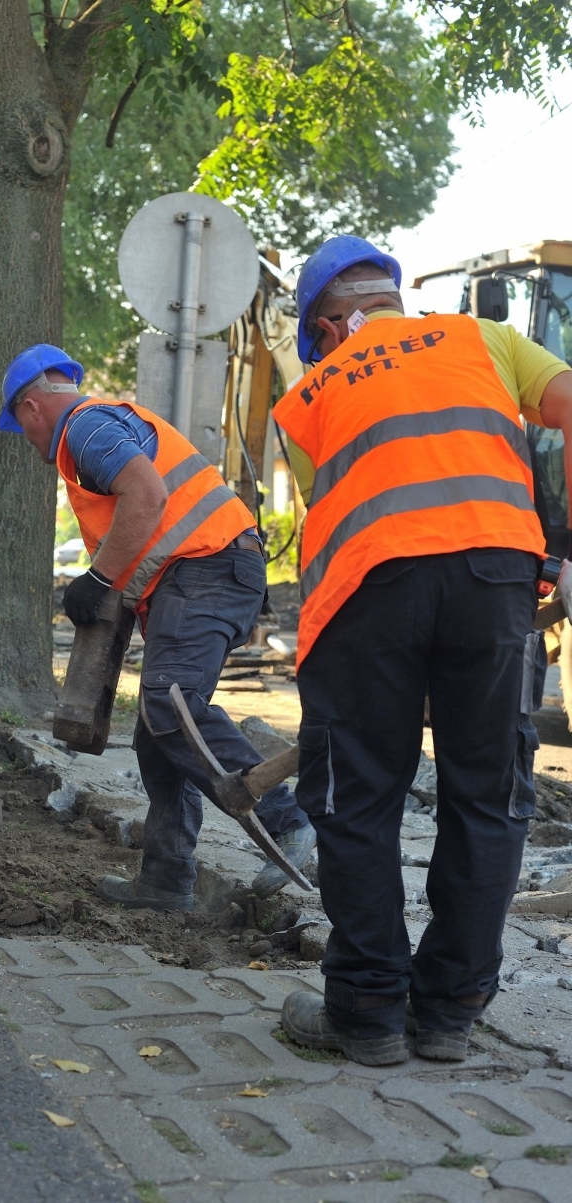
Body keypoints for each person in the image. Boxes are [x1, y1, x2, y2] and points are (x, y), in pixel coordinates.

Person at [272, 235, 572, 1066]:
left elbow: (332, 516)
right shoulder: (486, 339)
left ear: (330, 329)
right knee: (488, 793)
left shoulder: (307, 399)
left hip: (369, 591)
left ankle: (366, 1012)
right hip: (495, 580)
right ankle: (447, 1014)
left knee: (360, 796)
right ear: (395, 301)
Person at [0, 344, 316, 910]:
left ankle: (288, 821)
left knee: (171, 704)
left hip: (207, 569)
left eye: (19, 426)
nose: (25, 442)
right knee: (156, 729)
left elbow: (147, 495)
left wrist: (97, 579)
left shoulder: (83, 429)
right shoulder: (98, 429)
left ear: (31, 408)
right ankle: (167, 879)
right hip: (211, 571)